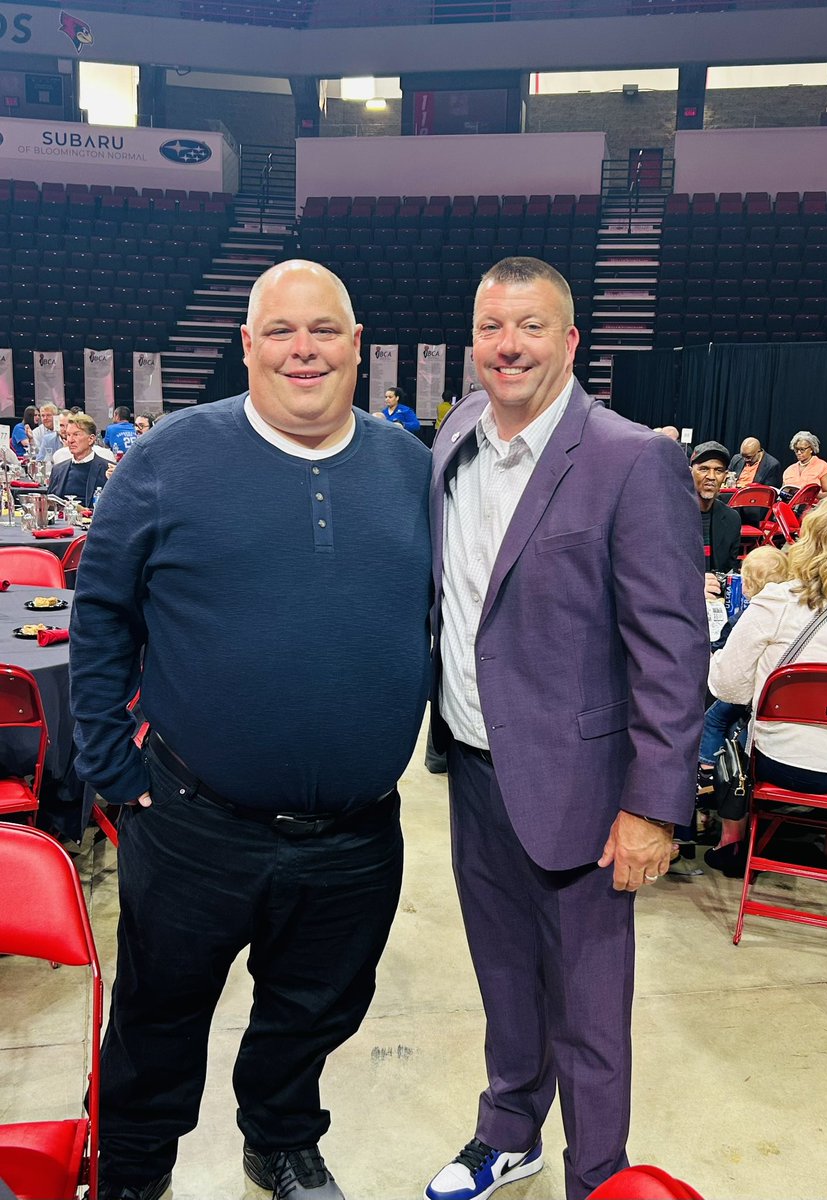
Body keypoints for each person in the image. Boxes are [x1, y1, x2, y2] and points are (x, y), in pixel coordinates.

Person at [69, 260, 431, 1200]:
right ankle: (133, 1170)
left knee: (314, 1011)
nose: (302, 349)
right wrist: (110, 763)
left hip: (356, 835)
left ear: (358, 345)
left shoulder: (410, 468)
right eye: (279, 330)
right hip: (193, 823)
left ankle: (279, 1139)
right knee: (158, 1019)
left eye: (323, 330)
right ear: (246, 346)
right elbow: (102, 609)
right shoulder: (170, 457)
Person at [424, 257, 708, 1200]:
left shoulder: (632, 458)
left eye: (532, 327)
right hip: (472, 768)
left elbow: (672, 650)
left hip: (583, 788)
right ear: (472, 342)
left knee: (588, 1006)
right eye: (493, 327)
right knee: (503, 976)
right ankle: (510, 1130)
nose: (509, 346)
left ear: (572, 340)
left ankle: (597, 1173)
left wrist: (654, 807)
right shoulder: (455, 434)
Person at [708, 490, 827, 876]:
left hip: (781, 763)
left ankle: (732, 841)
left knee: (725, 725)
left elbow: (728, 688)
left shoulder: (777, 601)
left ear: (811, 537)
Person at [696, 545, 790, 868]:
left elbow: (728, 683)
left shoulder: (759, 613)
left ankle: (707, 771)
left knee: (716, 717)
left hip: (760, 719)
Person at [690, 441, 742, 599]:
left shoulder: (732, 519)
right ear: (690, 472)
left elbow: (728, 571)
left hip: (716, 599)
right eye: (704, 469)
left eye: (718, 471)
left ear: (725, 477)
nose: (711, 477)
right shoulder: (668, 515)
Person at [47, 413, 110, 506]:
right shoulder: (58, 470)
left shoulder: (107, 470)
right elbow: (50, 504)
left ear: (91, 439)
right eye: (68, 435)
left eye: (76, 435)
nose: (70, 440)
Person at [782, 431, 827, 495]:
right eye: (796, 449)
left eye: (802, 449)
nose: (798, 453)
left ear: (811, 449)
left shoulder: (823, 467)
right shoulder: (789, 470)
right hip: (790, 504)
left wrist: (810, 494)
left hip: (814, 504)